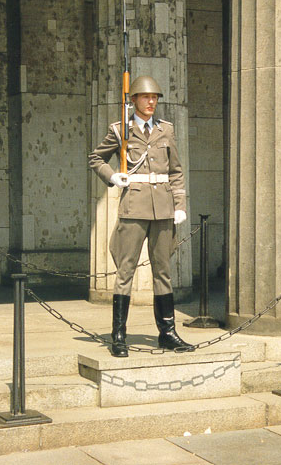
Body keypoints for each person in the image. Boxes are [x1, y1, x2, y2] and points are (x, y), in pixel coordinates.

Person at [89, 75, 192, 357]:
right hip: (134, 207)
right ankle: (119, 335)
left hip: (163, 209)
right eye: (146, 97)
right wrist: (113, 177)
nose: (151, 102)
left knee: (163, 272)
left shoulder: (166, 130)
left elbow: (176, 171)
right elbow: (96, 158)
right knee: (125, 272)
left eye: (155, 98)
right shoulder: (121, 129)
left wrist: (179, 204)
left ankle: (167, 333)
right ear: (133, 99)